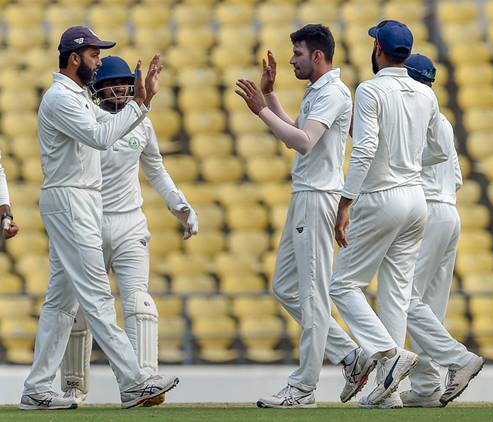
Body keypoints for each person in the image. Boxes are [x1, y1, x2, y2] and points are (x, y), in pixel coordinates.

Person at [20, 26, 177, 410]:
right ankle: (134, 381)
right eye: (94, 55)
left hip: (82, 199)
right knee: (96, 296)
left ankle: (37, 388)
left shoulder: (75, 96)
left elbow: (111, 126)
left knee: (60, 303)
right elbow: (101, 137)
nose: (99, 62)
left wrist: (143, 103)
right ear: (75, 58)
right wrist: (141, 106)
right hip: (71, 199)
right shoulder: (60, 98)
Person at [233, 24, 374, 408]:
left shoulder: (334, 91)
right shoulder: (320, 90)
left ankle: (304, 388)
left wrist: (261, 110)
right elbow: (297, 132)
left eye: (297, 53)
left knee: (312, 294)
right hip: (306, 195)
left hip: (318, 197)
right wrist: (270, 96)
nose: (292, 59)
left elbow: (303, 142)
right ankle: (350, 356)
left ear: (317, 56)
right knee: (285, 287)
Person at [57, 55, 198, 407]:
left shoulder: (142, 125)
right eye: (112, 82)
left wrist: (179, 205)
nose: (120, 87)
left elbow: (156, 170)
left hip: (129, 223)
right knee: (78, 309)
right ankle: (74, 385)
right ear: (96, 87)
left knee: (139, 302)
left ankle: (145, 379)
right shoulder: (85, 119)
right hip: (88, 222)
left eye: (124, 82)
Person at [328, 19, 449, 408]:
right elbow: (438, 151)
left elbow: (363, 150)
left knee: (342, 286)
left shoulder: (369, 89)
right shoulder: (425, 94)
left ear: (378, 49)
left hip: (382, 197)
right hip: (417, 199)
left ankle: (389, 354)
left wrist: (346, 201)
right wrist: (406, 159)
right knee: (395, 296)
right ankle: (388, 394)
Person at [399, 53, 484, 408]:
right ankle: (426, 387)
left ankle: (458, 359)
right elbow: (459, 179)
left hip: (428, 210)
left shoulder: (411, 118)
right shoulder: (443, 121)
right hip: (449, 210)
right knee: (431, 303)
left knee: (403, 299)